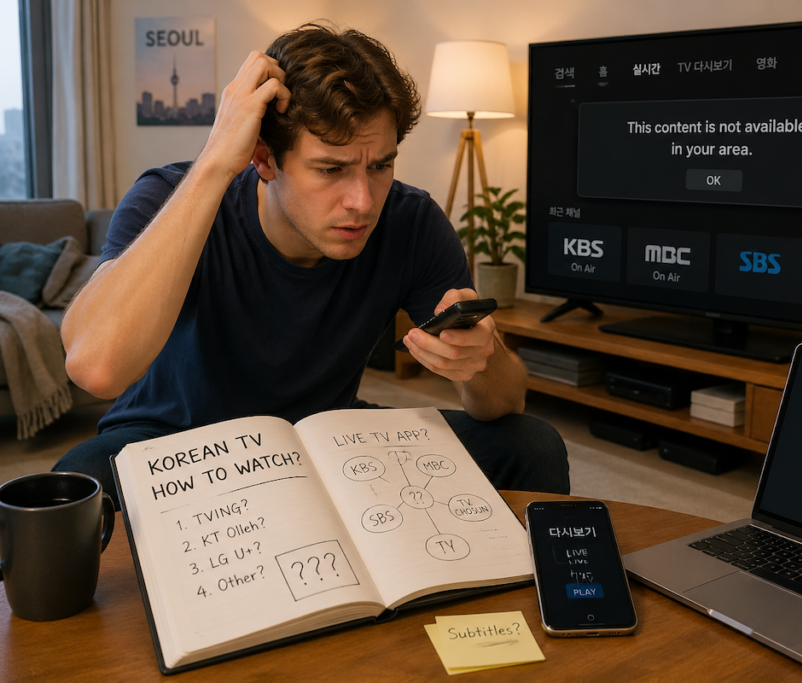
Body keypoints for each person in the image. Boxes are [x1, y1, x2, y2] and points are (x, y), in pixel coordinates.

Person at [54, 24, 569, 503]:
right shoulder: (169, 197)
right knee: (81, 480)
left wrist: (482, 360)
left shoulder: (411, 221)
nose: (363, 201)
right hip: (178, 442)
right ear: (263, 159)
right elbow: (96, 368)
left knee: (531, 444)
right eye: (331, 169)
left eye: (381, 165)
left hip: (324, 435)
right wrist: (214, 163)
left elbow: (503, 404)